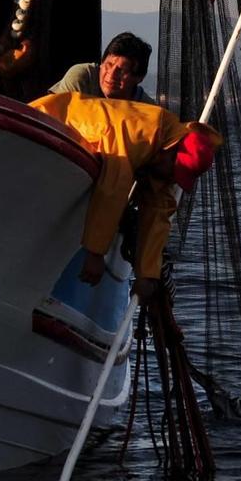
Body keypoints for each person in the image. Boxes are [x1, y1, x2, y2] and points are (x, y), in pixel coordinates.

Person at [31, 88, 221, 300]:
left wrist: (147, 274)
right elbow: (113, 188)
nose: (172, 178)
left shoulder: (164, 147)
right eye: (174, 171)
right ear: (172, 151)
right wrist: (95, 253)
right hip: (45, 120)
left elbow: (159, 209)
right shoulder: (138, 131)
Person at [49, 31, 156, 103]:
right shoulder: (83, 78)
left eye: (121, 71)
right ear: (101, 63)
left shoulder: (147, 109)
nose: (111, 75)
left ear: (139, 78)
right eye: (108, 65)